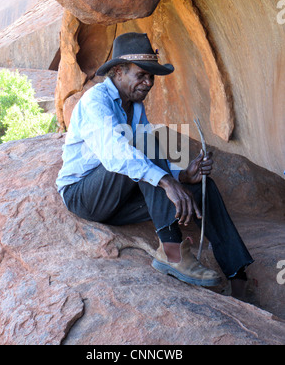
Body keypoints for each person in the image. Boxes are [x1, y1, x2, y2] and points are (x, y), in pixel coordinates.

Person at [56, 32, 254, 293]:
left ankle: (237, 274)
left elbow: (150, 159)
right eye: (142, 75)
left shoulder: (135, 106)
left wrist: (181, 177)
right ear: (117, 72)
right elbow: (118, 154)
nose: (149, 82)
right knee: (142, 144)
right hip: (85, 196)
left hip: (121, 202)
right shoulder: (96, 101)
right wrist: (166, 181)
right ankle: (172, 251)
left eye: (152, 77)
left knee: (202, 188)